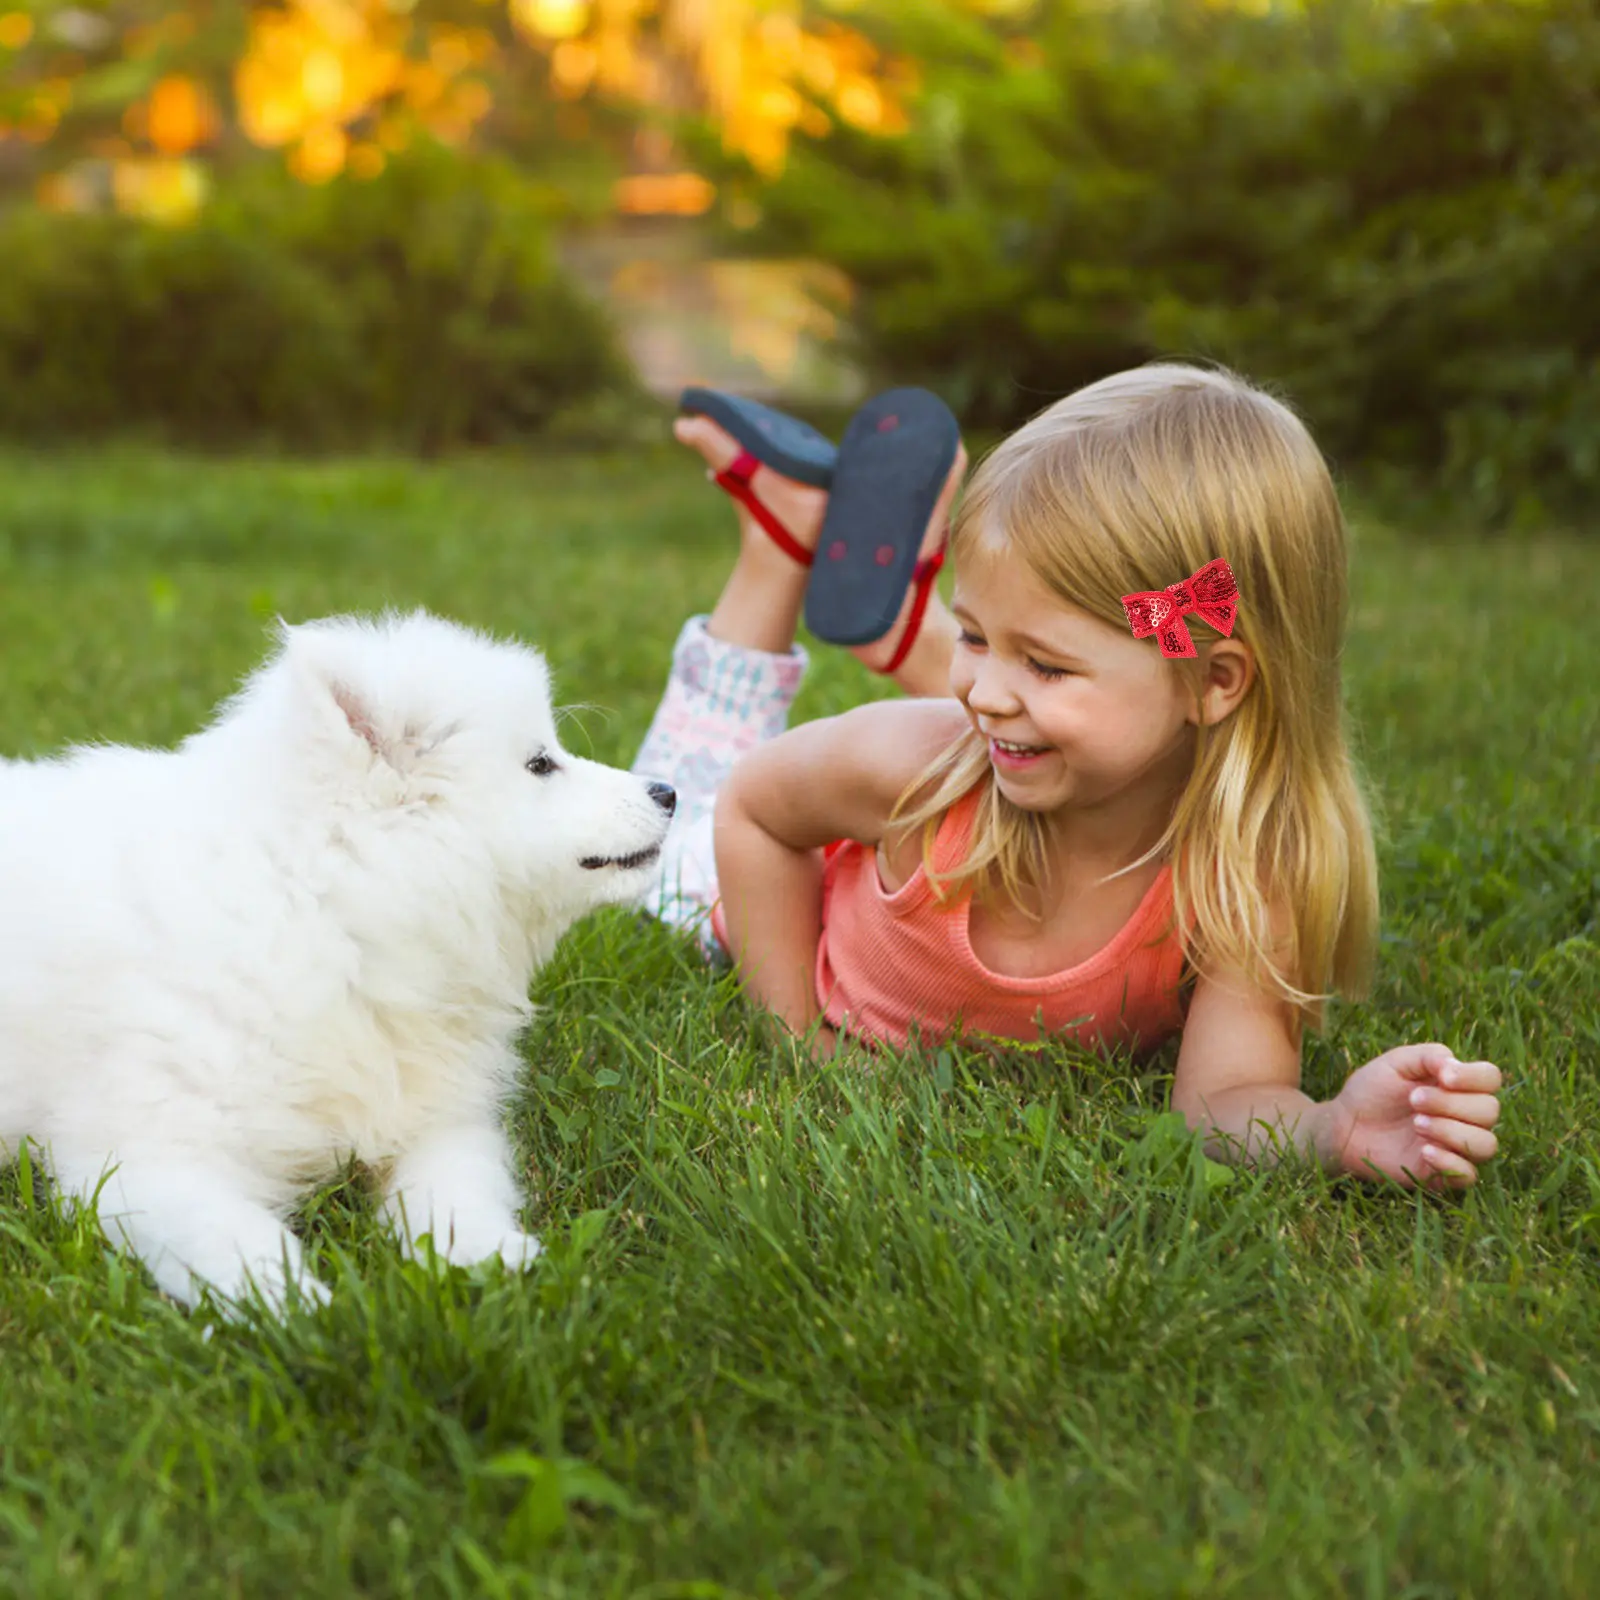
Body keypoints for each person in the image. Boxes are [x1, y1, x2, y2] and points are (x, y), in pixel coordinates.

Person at [631, 365, 1503, 1188]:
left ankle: (868, 592)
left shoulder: (1242, 877)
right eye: (972, 638)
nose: (981, 690)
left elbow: (1220, 1105)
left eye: (1044, 663)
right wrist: (794, 1037)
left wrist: (1329, 1129)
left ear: (1211, 681)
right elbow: (748, 807)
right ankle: (780, 546)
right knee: (669, 820)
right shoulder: (915, 768)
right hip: (742, 890)